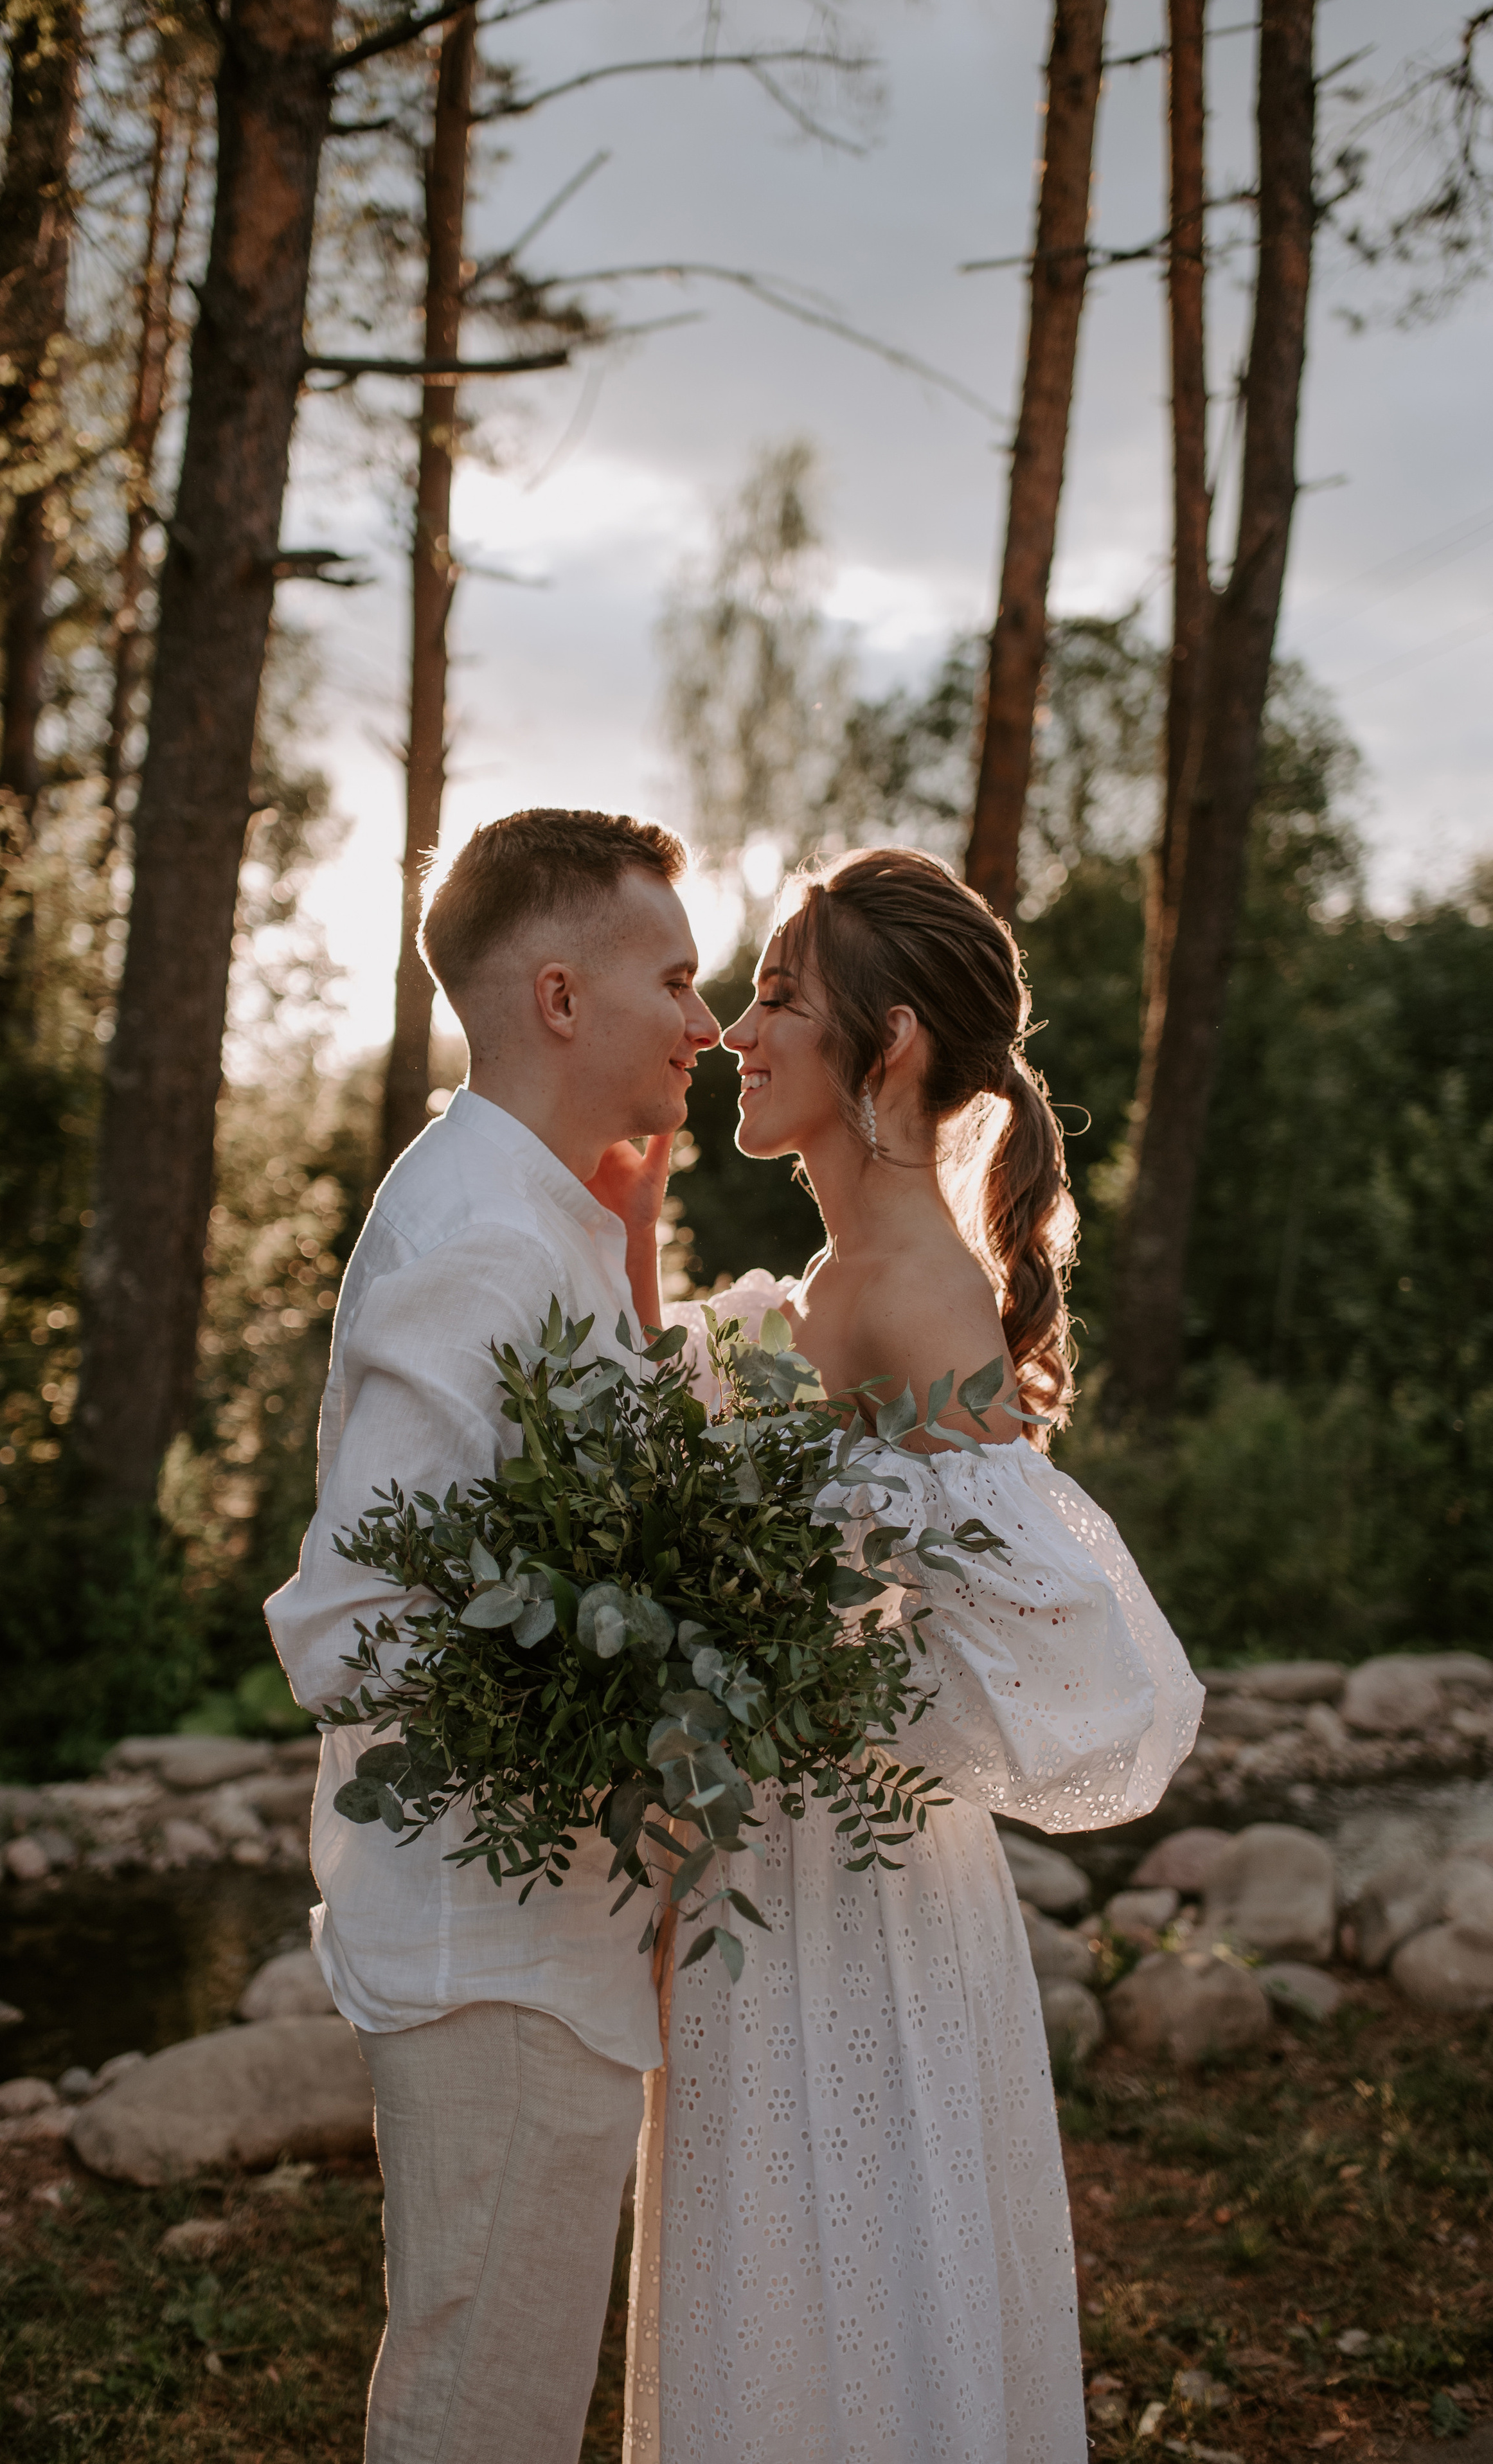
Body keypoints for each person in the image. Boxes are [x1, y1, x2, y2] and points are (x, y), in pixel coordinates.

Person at [622, 847, 1204, 2464]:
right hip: (757, 1872)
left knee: (853, 2274)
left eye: (776, 998)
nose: (738, 1031)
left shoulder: (914, 1294)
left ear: (885, 1047)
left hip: (853, 1885)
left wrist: (811, 1672)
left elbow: (1054, 1642)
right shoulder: (825, 1284)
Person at [265, 807, 720, 2464]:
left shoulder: (536, 1211)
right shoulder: (482, 1237)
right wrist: (615, 1713)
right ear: (558, 996)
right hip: (495, 1945)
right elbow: (349, 1626)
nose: (704, 1022)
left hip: (536, 1943)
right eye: (675, 980)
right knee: (484, 2416)